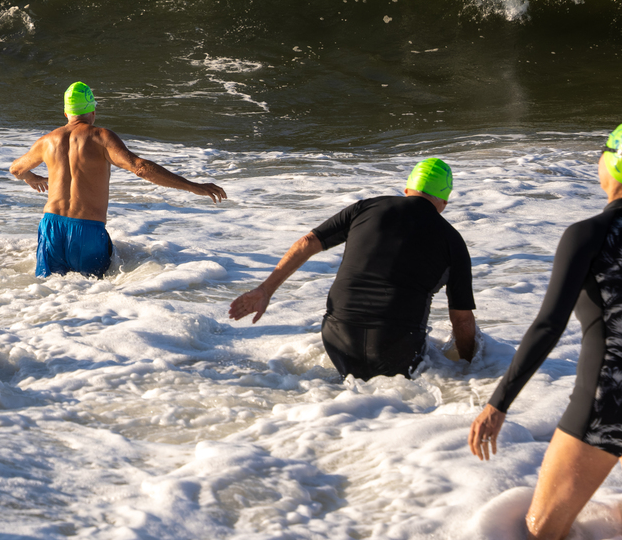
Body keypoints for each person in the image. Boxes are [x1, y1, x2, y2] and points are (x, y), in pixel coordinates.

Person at [469, 125, 622, 540]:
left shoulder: (589, 235)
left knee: (542, 531)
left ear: (613, 163)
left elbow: (548, 325)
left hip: (608, 401)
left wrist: (497, 404)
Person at [229, 158, 476, 380]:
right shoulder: (453, 242)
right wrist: (471, 368)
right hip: (398, 345)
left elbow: (307, 243)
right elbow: (462, 321)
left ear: (407, 189)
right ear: (444, 201)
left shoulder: (365, 208)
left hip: (338, 337)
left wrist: (265, 290)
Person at [8, 82, 227, 277]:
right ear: (92, 111)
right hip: (88, 231)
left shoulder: (47, 141)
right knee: (96, 297)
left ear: (66, 113)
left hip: (51, 227)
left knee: (50, 295)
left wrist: (31, 178)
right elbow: (140, 168)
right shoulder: (101, 136)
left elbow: (16, 169)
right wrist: (192, 186)